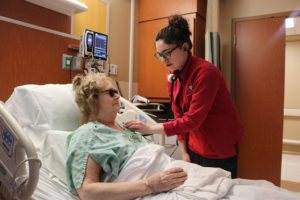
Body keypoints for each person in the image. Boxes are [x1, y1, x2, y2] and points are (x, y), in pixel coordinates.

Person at [125, 15, 244, 178]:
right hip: (194, 146)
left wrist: (151, 129)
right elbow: (178, 115)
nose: (162, 60)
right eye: (159, 55)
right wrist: (184, 151)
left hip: (219, 147)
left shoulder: (206, 73)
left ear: (185, 47)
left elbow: (193, 119)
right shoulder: (173, 77)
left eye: (167, 53)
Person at [65, 72, 187, 200]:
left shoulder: (123, 127)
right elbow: (86, 191)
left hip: (171, 174)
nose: (118, 96)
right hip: (151, 189)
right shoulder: (87, 134)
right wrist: (150, 185)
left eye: (116, 92)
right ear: (92, 100)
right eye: (111, 93)